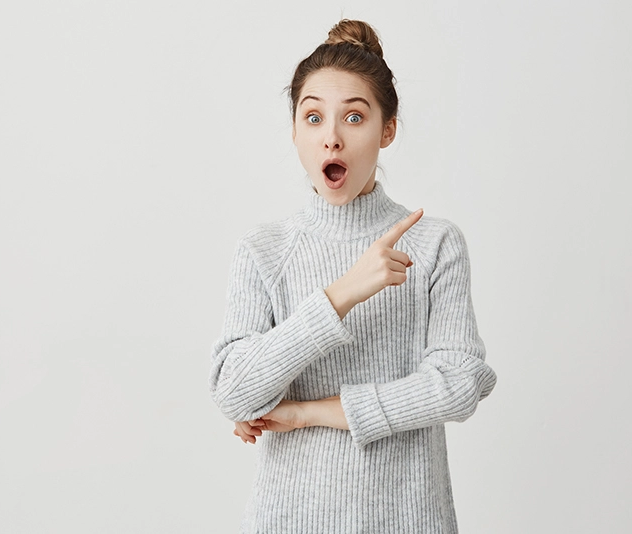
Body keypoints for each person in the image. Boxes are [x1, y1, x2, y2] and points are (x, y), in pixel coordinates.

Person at [209, 19, 497, 533]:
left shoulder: (434, 244)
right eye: (314, 117)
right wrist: (341, 293)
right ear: (294, 130)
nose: (332, 139)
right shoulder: (263, 251)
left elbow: (458, 386)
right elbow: (234, 393)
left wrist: (307, 413)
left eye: (355, 117)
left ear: (387, 130)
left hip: (409, 519)